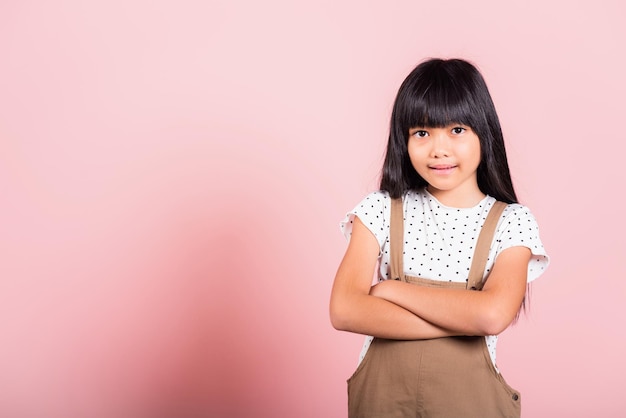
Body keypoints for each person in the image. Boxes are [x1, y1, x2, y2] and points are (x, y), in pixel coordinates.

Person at [329, 58, 549, 417]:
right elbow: (344, 309)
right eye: (422, 133)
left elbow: (493, 315)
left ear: (485, 132)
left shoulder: (512, 222)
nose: (439, 149)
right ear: (403, 140)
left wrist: (391, 291)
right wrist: (462, 320)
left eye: (457, 130)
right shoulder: (381, 210)